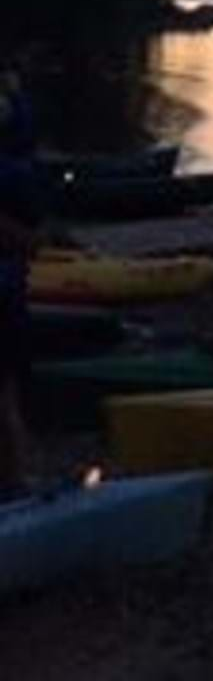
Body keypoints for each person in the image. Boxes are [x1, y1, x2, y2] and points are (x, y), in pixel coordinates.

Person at [0, 66, 41, 501]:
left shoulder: (14, 175)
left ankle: (14, 488)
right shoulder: (21, 172)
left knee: (4, 394)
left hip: (5, 292)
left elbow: (28, 239)